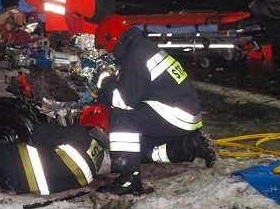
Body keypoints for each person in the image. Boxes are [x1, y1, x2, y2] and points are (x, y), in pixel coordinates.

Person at [92, 14, 216, 195]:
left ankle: (129, 180)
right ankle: (190, 145)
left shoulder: (135, 57)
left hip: (175, 114)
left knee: (120, 117)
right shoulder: (143, 48)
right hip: (183, 113)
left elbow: (124, 101)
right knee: (135, 151)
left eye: (105, 47)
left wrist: (105, 81)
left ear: (112, 39)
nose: (108, 53)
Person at [0, 123, 104, 195]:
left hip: (20, 168)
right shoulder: (95, 153)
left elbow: (38, 133)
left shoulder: (78, 133)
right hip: (38, 183)